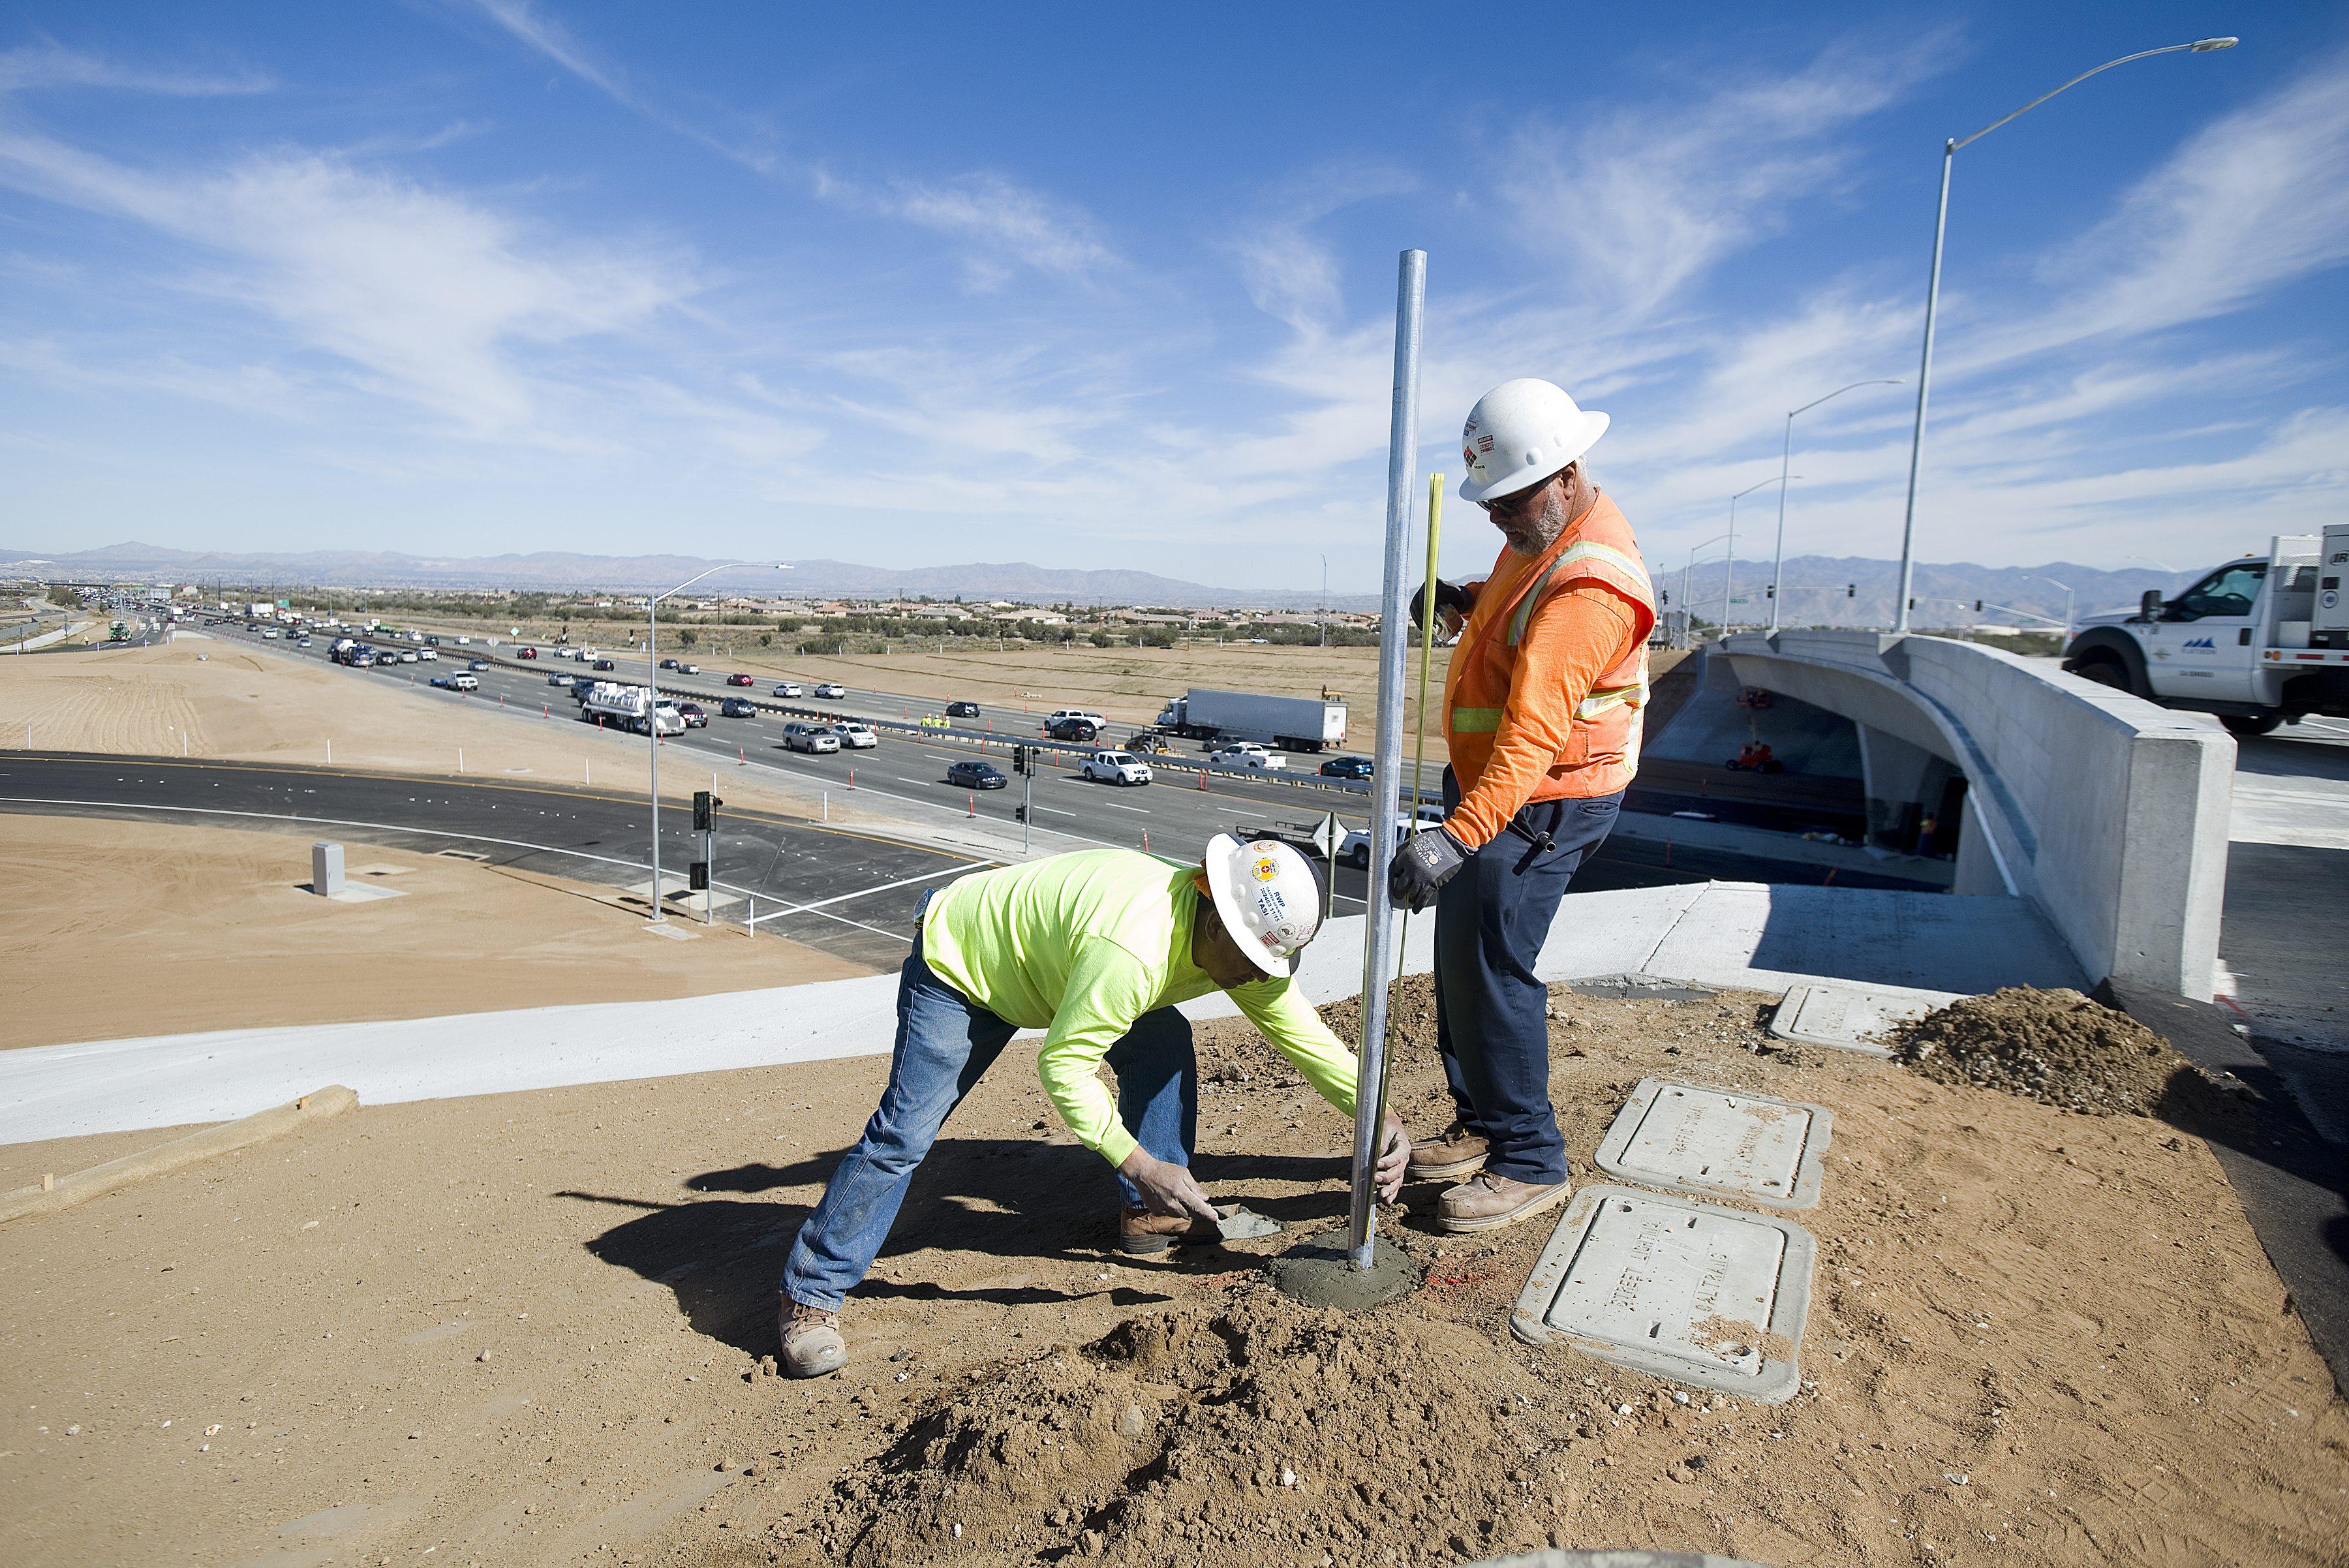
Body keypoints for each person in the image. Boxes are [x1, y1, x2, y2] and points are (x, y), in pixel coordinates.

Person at [778, 836, 1411, 1376]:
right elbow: (1063, 1067)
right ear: (1216, 918)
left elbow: (1308, 1042)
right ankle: (811, 1294)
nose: (1259, 976)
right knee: (903, 1136)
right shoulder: (1133, 950)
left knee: (1162, 1043)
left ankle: (1149, 1217)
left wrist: (1378, 1115)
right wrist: (1140, 1162)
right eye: (1253, 960)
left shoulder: (1239, 952)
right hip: (967, 966)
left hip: (1059, 971)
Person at [1389, 378, 1657, 1234]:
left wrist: (1455, 837)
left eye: (1512, 497)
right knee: (1460, 965)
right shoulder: (1541, 532)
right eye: (1490, 501)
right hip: (1497, 793)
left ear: (1569, 473)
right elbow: (1516, 591)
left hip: (1542, 801)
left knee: (1495, 974)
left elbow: (1536, 732)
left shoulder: (1591, 586)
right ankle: (1482, 1121)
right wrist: (1464, 598)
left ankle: (1531, 1160)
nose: (1497, 516)